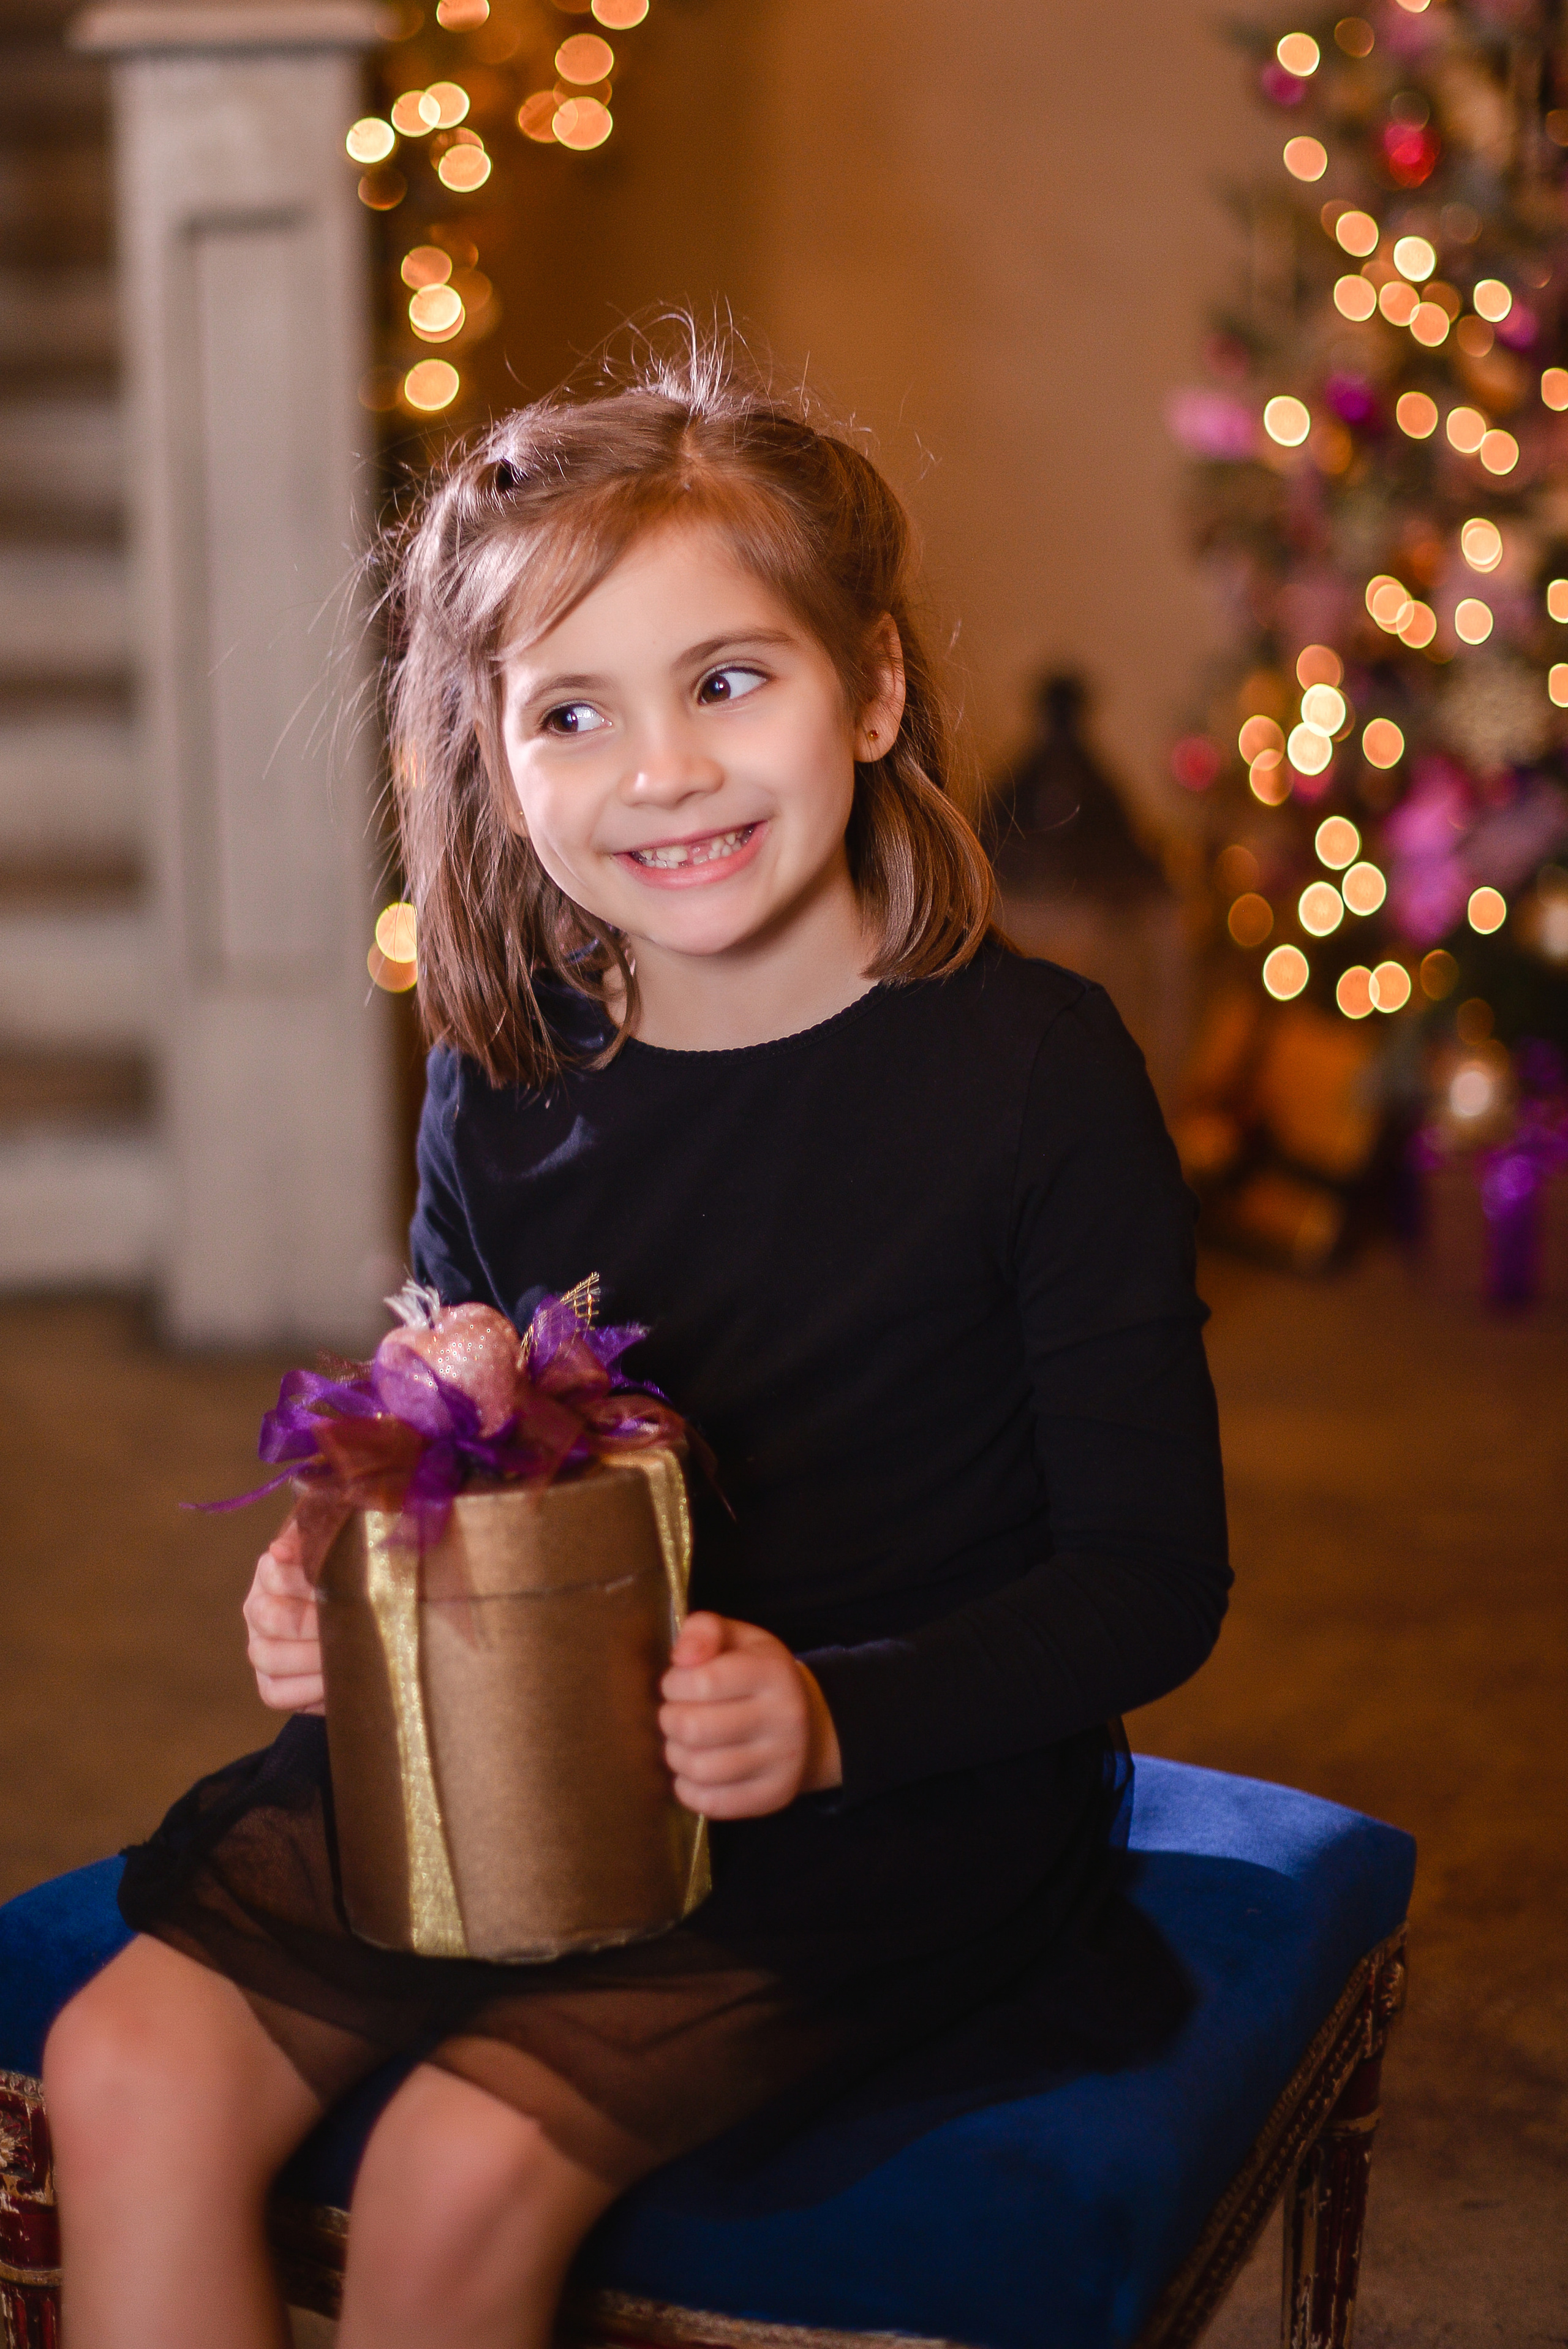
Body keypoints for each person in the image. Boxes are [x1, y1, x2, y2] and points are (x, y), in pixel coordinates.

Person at [42, 336, 1230, 2349]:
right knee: (126, 2069)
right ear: (490, 758)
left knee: (454, 2168)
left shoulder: (1032, 1075)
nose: (660, 771)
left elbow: (1150, 1578)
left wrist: (832, 1717)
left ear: (869, 687)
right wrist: (338, 1588)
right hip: (520, 1757)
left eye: (728, 680)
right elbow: (450, 1462)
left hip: (878, 1795)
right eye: (573, 712)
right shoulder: (498, 1080)